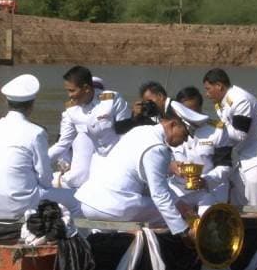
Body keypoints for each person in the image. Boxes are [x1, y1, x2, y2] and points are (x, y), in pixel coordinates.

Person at [75, 103, 203, 242]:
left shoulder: (141, 131)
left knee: (175, 209)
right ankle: (155, 256)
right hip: (113, 206)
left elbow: (153, 184)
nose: (185, 141)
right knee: (174, 217)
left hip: (88, 202)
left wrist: (180, 203)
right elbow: (159, 195)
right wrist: (184, 230)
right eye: (185, 134)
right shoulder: (157, 149)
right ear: (173, 124)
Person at [0, 74, 82, 220]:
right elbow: (45, 179)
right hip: (21, 204)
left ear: (7, 102)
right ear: (31, 105)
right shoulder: (36, 133)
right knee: (78, 199)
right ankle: (75, 241)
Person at [203, 68, 257, 207]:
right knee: (237, 185)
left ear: (219, 86)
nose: (207, 94)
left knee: (253, 183)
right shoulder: (222, 101)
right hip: (247, 152)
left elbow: (239, 134)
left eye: (208, 89)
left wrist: (216, 127)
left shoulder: (240, 100)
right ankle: (240, 220)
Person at [48, 66, 130, 184]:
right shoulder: (72, 111)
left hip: (120, 160)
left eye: (72, 90)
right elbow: (62, 145)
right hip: (98, 161)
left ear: (86, 88)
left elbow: (126, 136)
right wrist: (37, 163)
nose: (69, 95)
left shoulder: (112, 100)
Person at [169, 87, 232, 210]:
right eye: (186, 112)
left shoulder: (217, 130)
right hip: (179, 190)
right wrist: (170, 165)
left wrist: (206, 180)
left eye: (194, 111)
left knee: (209, 218)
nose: (190, 116)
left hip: (210, 187)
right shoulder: (169, 130)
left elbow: (226, 166)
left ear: (201, 108)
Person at [52, 76, 104, 190]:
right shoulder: (112, 116)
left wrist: (64, 167)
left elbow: (62, 151)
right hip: (102, 184)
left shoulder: (70, 115)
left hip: (74, 183)